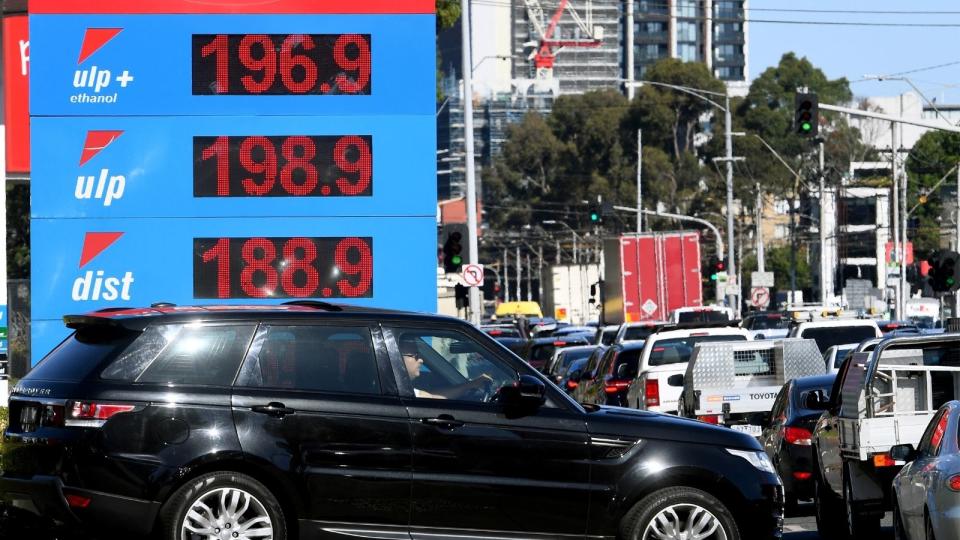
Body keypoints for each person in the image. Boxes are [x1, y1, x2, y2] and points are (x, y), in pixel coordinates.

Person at [400, 336, 494, 399]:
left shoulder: (397, 387)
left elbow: (432, 396)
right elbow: (431, 398)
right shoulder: (395, 390)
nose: (421, 360)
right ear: (397, 357)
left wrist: (469, 385)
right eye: (415, 355)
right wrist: (469, 385)